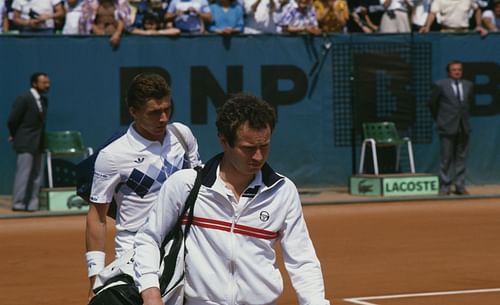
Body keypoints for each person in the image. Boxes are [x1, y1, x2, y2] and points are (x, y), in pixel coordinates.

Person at [133, 93, 330, 305]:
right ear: (224, 141)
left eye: (264, 146)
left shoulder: (283, 191)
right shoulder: (185, 185)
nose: (258, 157)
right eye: (248, 148)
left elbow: (302, 260)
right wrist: (151, 293)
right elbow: (148, 239)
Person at [84, 73, 202, 300]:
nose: (163, 118)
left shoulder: (182, 135)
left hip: (182, 245)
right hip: (134, 249)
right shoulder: (112, 156)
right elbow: (96, 218)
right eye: (154, 113)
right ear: (133, 111)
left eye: (167, 109)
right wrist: (95, 276)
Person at [429, 60, 473, 196]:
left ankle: (460, 186)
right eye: (454, 70)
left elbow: (469, 104)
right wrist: (441, 121)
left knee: (461, 157)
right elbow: (432, 104)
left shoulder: (468, 85)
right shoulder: (440, 85)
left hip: (463, 126)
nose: (457, 72)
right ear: (449, 72)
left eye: (459, 69)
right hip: (447, 126)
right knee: (446, 158)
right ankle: (445, 187)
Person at [7, 73, 50, 212]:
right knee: (24, 174)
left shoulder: (44, 100)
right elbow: (12, 120)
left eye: (48, 82)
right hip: (26, 142)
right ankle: (18, 203)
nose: (47, 85)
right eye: (44, 82)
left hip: (39, 143)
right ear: (34, 84)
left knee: (37, 176)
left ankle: (32, 205)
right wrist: (15, 135)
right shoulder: (24, 99)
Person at [419, 0, 488, 36]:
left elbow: (477, 10)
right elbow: (432, 13)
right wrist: (427, 26)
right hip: (446, 33)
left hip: (464, 32)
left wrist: (479, 25)